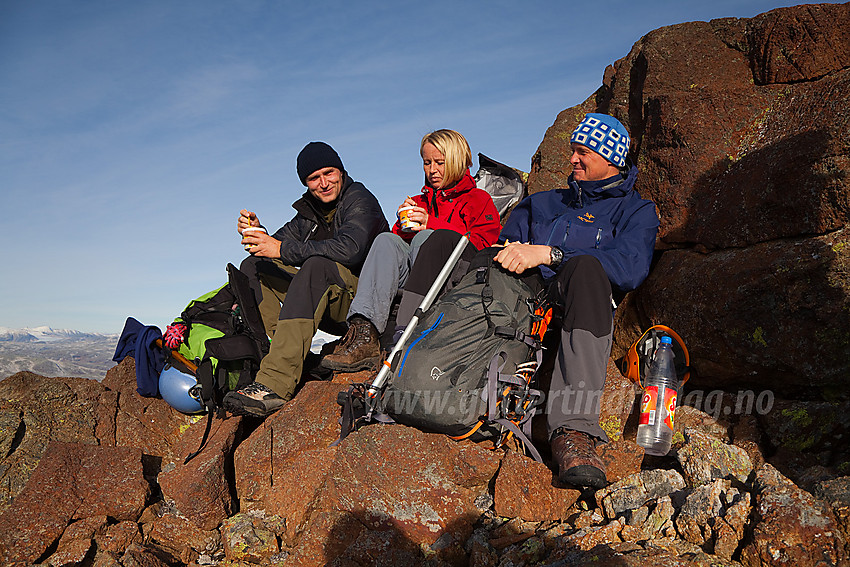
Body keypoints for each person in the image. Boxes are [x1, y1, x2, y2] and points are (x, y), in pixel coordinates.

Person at [493, 113, 659, 489]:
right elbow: (503, 245)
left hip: (577, 301)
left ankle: (572, 431)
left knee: (586, 269)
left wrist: (551, 255)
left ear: (612, 159)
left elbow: (629, 267)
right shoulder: (541, 203)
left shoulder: (636, 211)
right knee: (447, 247)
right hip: (523, 299)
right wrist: (511, 251)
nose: (572, 159)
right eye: (572, 150)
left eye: (582, 151)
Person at [222, 141, 389, 417]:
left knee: (316, 266)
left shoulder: (360, 199)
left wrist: (279, 248)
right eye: (314, 178)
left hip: (363, 306)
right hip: (330, 297)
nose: (323, 183)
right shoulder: (310, 212)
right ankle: (286, 357)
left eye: (329, 173)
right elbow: (277, 246)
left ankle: (273, 383)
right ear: (306, 183)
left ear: (341, 171)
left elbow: (351, 249)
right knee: (254, 266)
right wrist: (258, 233)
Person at [321, 129, 501, 372]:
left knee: (426, 237)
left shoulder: (478, 200)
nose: (432, 170)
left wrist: (432, 224)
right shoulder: (420, 200)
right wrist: (405, 226)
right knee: (386, 240)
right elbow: (396, 249)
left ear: (458, 160)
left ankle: (413, 329)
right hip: (415, 279)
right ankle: (365, 333)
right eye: (427, 162)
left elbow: (485, 245)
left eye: (440, 162)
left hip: (453, 280)